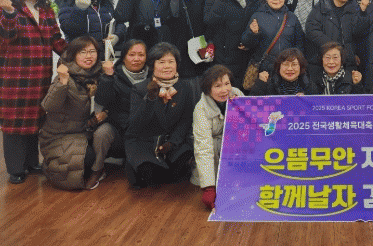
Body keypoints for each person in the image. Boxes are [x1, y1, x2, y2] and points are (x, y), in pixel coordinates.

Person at [0, 0, 67, 184]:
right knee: (14, 124)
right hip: (16, 77)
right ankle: (15, 169)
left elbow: (56, 39)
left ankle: (31, 162)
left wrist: (77, 53)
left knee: (35, 121)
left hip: (40, 76)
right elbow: (7, 36)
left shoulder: (46, 10)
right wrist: (9, 13)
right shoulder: (8, 8)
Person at [39, 36, 109, 190]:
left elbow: (110, 102)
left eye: (92, 51)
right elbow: (49, 106)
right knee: (85, 159)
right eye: (82, 52)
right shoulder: (65, 76)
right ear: (73, 55)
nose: (88, 56)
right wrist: (62, 82)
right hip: (60, 135)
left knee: (106, 142)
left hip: (85, 132)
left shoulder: (100, 74)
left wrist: (105, 113)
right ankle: (50, 165)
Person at [125, 43, 194, 188]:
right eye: (161, 62)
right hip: (146, 142)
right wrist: (150, 98)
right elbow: (135, 124)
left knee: (177, 174)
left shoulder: (185, 87)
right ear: (152, 65)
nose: (167, 66)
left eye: (171, 62)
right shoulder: (140, 88)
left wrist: (173, 142)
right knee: (150, 177)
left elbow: (186, 120)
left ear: (177, 64)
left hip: (171, 141)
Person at [193, 65, 244, 210]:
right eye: (217, 86)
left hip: (237, 147)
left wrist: (238, 107)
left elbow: (249, 127)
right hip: (215, 151)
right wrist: (208, 187)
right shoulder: (200, 109)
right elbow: (203, 148)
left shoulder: (237, 94)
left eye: (227, 84)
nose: (224, 90)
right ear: (208, 89)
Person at [94, 39, 148, 174]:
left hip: (145, 129)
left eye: (141, 55)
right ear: (123, 57)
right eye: (132, 55)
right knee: (102, 133)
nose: (136, 59)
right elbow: (103, 100)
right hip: (120, 127)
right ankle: (97, 170)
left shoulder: (153, 76)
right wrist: (108, 77)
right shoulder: (114, 75)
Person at [203, 0, 261, 83]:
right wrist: (221, 0)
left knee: (243, 91)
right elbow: (208, 20)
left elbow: (257, 23)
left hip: (246, 54)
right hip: (223, 55)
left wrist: (249, 41)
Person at [305, 0, 370, 82]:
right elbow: (311, 29)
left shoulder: (355, 9)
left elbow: (359, 33)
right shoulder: (322, 6)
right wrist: (333, 48)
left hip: (347, 62)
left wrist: (362, 12)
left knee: (346, 90)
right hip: (322, 61)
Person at [56, 0, 125, 56]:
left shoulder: (105, 2)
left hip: (103, 54)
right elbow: (67, 29)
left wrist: (117, 35)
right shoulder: (69, 1)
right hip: (80, 54)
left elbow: (118, 22)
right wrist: (79, 9)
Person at [241, 0, 304, 75]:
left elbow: (300, 44)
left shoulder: (292, 17)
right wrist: (252, 33)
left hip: (287, 69)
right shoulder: (257, 16)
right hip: (264, 70)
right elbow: (246, 43)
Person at [169, 0, 211, 80]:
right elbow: (172, 17)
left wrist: (211, 44)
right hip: (180, 47)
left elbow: (211, 24)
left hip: (202, 46)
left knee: (204, 80)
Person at [251, 48, 316, 96]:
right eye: (286, 64)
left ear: (300, 67)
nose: (290, 69)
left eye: (294, 65)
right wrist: (260, 83)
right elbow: (251, 104)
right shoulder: (268, 83)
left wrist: (306, 100)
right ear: (279, 67)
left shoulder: (308, 84)